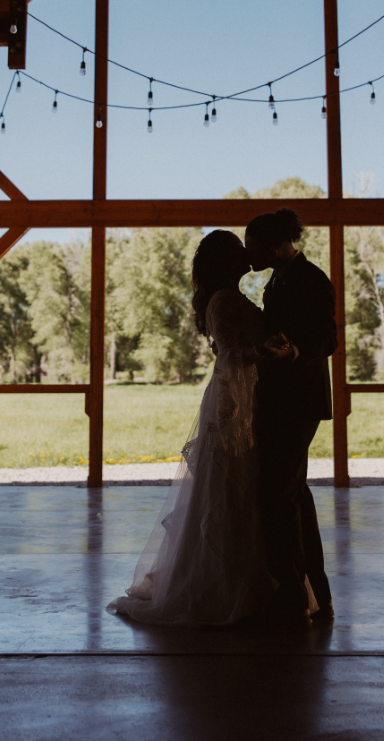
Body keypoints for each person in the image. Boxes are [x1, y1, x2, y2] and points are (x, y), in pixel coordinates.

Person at [107, 229, 282, 627]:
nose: (245, 254)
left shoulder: (232, 297)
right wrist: (265, 351)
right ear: (225, 261)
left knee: (245, 490)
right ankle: (223, 587)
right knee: (228, 488)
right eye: (238, 251)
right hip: (231, 401)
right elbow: (230, 356)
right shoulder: (222, 301)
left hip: (247, 396)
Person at [244, 208, 337, 625]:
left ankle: (294, 598)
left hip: (300, 400)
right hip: (282, 399)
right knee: (292, 494)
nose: (249, 254)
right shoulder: (277, 281)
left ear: (275, 245)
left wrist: (293, 351)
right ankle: (312, 593)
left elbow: (328, 338)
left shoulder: (312, 279)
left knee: (281, 496)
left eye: (253, 246)